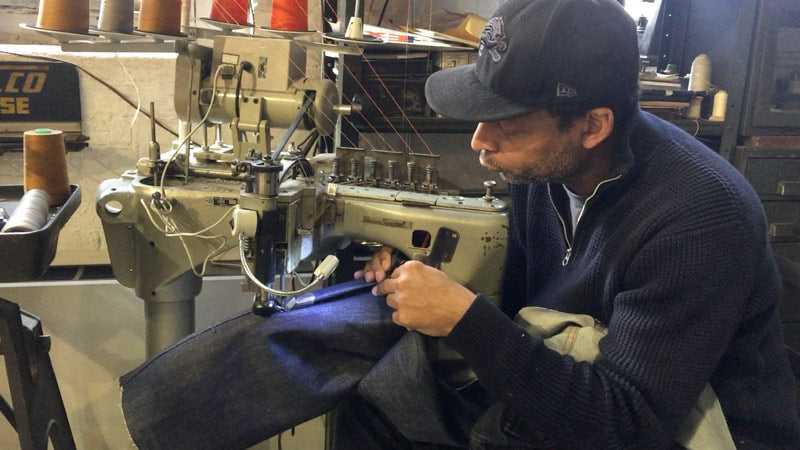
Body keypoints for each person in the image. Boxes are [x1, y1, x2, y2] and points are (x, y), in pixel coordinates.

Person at [118, 0, 800, 448]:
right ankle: (162, 423)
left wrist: (466, 320)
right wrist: (417, 279)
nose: (478, 142)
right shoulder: (552, 170)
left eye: (505, 125)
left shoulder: (695, 221)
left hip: (681, 427)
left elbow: (626, 424)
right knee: (372, 381)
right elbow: (530, 301)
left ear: (592, 125)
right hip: (577, 377)